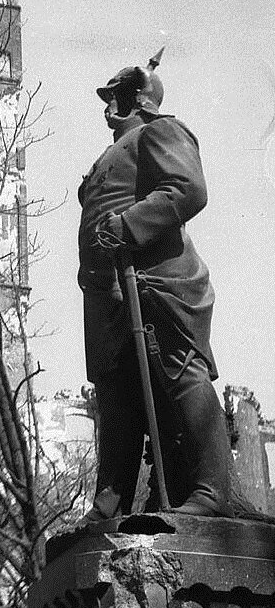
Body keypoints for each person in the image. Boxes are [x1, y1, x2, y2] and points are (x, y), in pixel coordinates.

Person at [77, 51, 231, 519]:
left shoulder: (160, 131)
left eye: (118, 97)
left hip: (155, 281)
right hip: (109, 292)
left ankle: (212, 491)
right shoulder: (109, 153)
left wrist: (126, 226)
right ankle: (113, 498)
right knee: (117, 394)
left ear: (140, 101)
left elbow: (187, 189)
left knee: (178, 372)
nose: (108, 107)